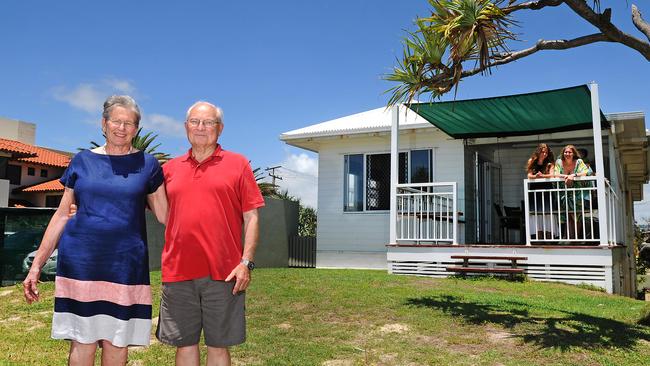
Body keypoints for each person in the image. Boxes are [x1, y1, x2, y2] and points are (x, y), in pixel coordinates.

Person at [23, 95, 168, 365]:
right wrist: (36, 266)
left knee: (117, 341)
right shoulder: (81, 161)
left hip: (126, 267)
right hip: (82, 264)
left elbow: (166, 215)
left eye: (129, 123)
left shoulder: (148, 165)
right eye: (116, 121)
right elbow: (62, 214)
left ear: (136, 129)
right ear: (104, 124)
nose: (121, 128)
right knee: (83, 340)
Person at [155, 101, 264, 366]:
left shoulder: (238, 165)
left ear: (220, 128)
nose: (201, 128)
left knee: (218, 347)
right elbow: (155, 210)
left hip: (225, 273)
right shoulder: (168, 170)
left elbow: (251, 217)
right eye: (195, 122)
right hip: (178, 271)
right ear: (185, 127)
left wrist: (245, 262)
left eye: (208, 123)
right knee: (185, 346)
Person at [554, 144, 590, 240]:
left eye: (570, 152)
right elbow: (555, 173)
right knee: (567, 215)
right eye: (566, 152)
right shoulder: (559, 162)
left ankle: (575, 237)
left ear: (574, 153)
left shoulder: (578, 161)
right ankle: (568, 237)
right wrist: (565, 176)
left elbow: (585, 172)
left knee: (577, 215)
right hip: (563, 192)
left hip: (577, 193)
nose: (567, 154)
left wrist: (573, 175)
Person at [526, 143, 555, 240]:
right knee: (536, 214)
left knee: (547, 213)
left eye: (546, 152)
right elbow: (529, 175)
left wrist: (542, 176)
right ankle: (539, 238)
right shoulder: (532, 161)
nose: (545, 154)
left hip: (547, 190)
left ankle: (549, 238)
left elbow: (552, 175)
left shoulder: (550, 163)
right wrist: (536, 176)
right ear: (538, 152)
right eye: (543, 152)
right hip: (535, 191)